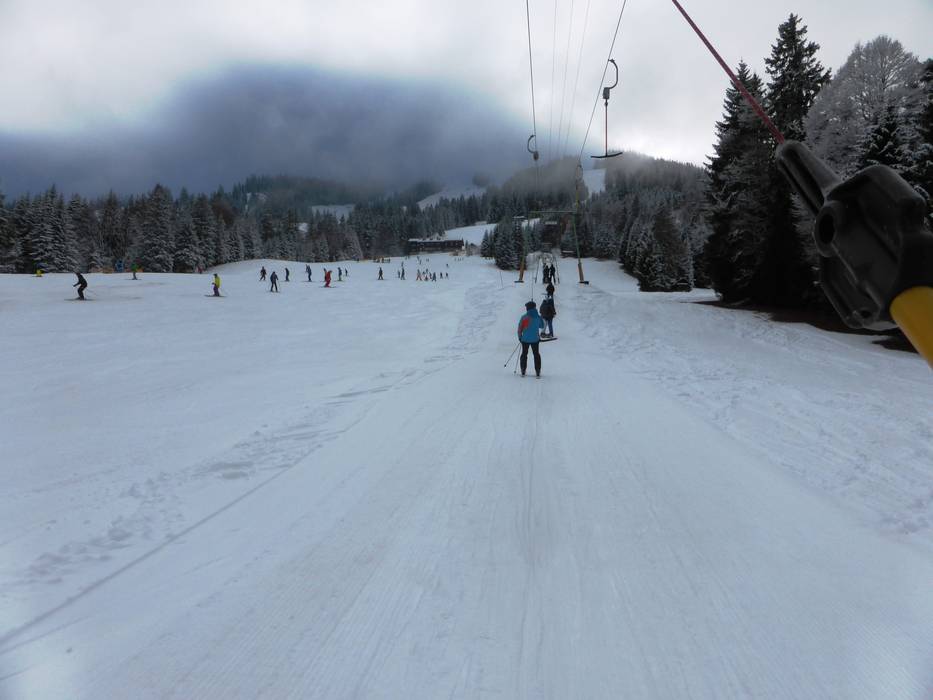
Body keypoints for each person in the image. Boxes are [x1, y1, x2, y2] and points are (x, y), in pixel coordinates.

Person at [517, 301, 544, 377]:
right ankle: (538, 371)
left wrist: (520, 337)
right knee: (536, 354)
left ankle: (523, 369)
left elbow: (520, 328)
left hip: (525, 339)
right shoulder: (537, 317)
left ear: (528, 308)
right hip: (535, 339)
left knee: (524, 354)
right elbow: (541, 326)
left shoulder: (524, 317)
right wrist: (540, 318)